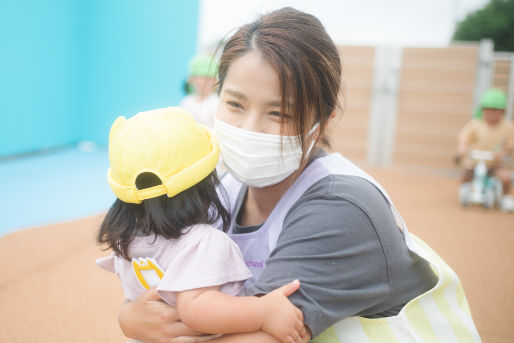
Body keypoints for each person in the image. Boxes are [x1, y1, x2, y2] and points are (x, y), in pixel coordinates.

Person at [119, 7, 482, 343]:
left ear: (322, 122)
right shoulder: (222, 191)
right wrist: (130, 316)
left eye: (278, 114)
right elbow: (161, 292)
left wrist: (147, 324)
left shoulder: (341, 208)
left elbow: (261, 334)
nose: (250, 128)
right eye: (234, 103)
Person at [96, 107, 307, 343]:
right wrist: (264, 311)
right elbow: (197, 308)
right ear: (204, 184)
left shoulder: (128, 241)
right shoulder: (204, 242)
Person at [457, 88, 514, 212]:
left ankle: (507, 197)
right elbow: (465, 136)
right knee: (465, 177)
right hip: (475, 161)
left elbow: (511, 142)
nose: (490, 115)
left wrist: (503, 152)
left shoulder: (507, 127)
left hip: (495, 163)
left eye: (495, 112)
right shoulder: (476, 124)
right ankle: (466, 190)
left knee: (505, 178)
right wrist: (463, 146)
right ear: (482, 111)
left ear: (502, 112)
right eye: (487, 111)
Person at [179, 54, 219, 128]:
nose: (202, 82)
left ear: (215, 81)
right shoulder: (186, 102)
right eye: (199, 78)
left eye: (208, 79)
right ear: (192, 80)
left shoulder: (217, 103)